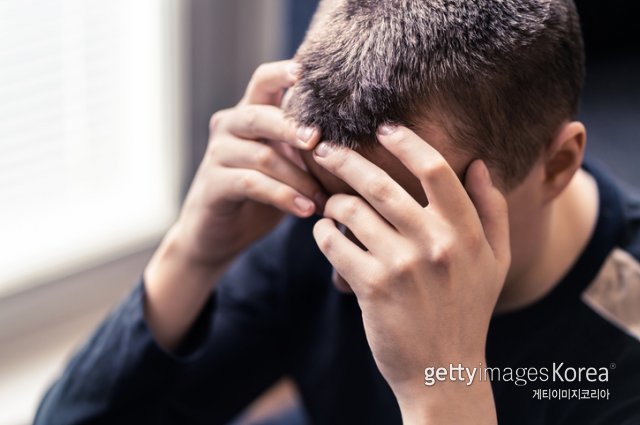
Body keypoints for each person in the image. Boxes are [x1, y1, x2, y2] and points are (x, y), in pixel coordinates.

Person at [34, 0, 640, 424]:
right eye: (334, 199)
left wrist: (445, 386)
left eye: (399, 215)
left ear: (558, 166)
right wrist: (193, 251)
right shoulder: (316, 222)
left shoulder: (619, 359)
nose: (350, 269)